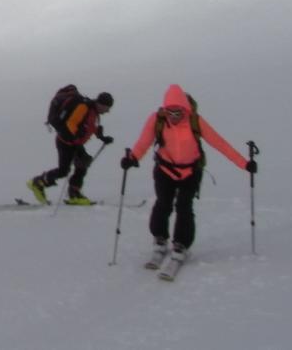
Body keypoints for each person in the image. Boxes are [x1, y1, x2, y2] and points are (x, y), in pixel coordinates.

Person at [121, 84, 256, 267]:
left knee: (184, 206)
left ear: (185, 109)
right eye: (170, 112)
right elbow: (143, 142)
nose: (174, 116)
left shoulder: (195, 121)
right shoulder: (157, 120)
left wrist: (245, 164)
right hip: (165, 169)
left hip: (191, 172)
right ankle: (159, 239)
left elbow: (220, 144)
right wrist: (133, 158)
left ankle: (181, 244)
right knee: (163, 204)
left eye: (178, 112)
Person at [27, 88, 114, 205]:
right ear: (101, 104)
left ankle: (74, 193)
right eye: (107, 108)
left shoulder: (94, 112)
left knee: (83, 164)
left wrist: (102, 137)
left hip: (74, 143)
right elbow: (71, 123)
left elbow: (90, 127)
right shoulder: (84, 107)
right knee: (64, 170)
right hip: (65, 142)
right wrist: (75, 137)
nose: (107, 111)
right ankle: (37, 183)